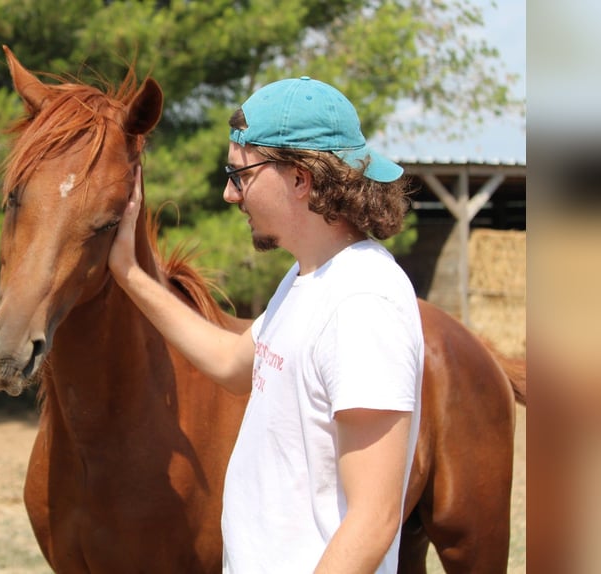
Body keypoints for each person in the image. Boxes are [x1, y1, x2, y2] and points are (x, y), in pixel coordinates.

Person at [109, 76, 423, 574]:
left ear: (301, 179)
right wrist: (129, 275)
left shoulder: (363, 303)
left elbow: (374, 518)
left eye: (241, 174)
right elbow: (233, 364)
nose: (230, 194)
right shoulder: (309, 278)